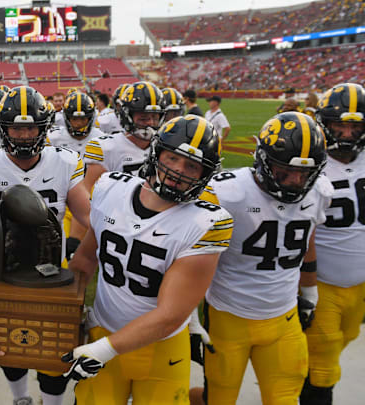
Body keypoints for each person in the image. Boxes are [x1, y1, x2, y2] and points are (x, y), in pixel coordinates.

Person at [63, 115, 231, 405]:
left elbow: (169, 317)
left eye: (192, 166)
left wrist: (104, 349)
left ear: (205, 173)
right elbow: (86, 259)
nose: (179, 171)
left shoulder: (207, 222)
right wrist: (69, 312)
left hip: (160, 349)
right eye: (173, 158)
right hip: (103, 327)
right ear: (156, 153)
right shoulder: (110, 188)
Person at [191, 112, 332, 405]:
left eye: (304, 173)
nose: (295, 181)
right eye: (285, 171)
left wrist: (310, 293)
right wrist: (189, 317)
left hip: (285, 318)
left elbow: (308, 243)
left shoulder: (318, 191)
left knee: (285, 399)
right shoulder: (227, 192)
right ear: (264, 160)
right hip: (229, 316)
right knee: (218, 398)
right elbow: (189, 259)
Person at [0, 86, 91, 405]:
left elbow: (88, 215)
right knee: (10, 347)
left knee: (55, 351)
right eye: (17, 127)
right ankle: (21, 398)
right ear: (4, 128)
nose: (24, 135)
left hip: (52, 272)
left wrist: (86, 255)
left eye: (31, 127)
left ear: (44, 127)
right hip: (4, 271)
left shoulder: (65, 162)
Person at [300, 83, 365, 405]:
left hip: (360, 281)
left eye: (355, 125)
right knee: (324, 358)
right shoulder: (307, 160)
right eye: (340, 123)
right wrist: (306, 285)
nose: (348, 132)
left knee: (347, 337)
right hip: (323, 281)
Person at [82, 81, 164, 194]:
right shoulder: (106, 148)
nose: (150, 123)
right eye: (143, 118)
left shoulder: (163, 146)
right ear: (127, 116)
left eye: (154, 117)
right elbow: (88, 192)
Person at [48, 91, 106, 157]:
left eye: (83, 119)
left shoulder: (100, 138)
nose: (78, 123)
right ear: (67, 118)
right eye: (74, 119)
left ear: (90, 118)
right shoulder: (54, 137)